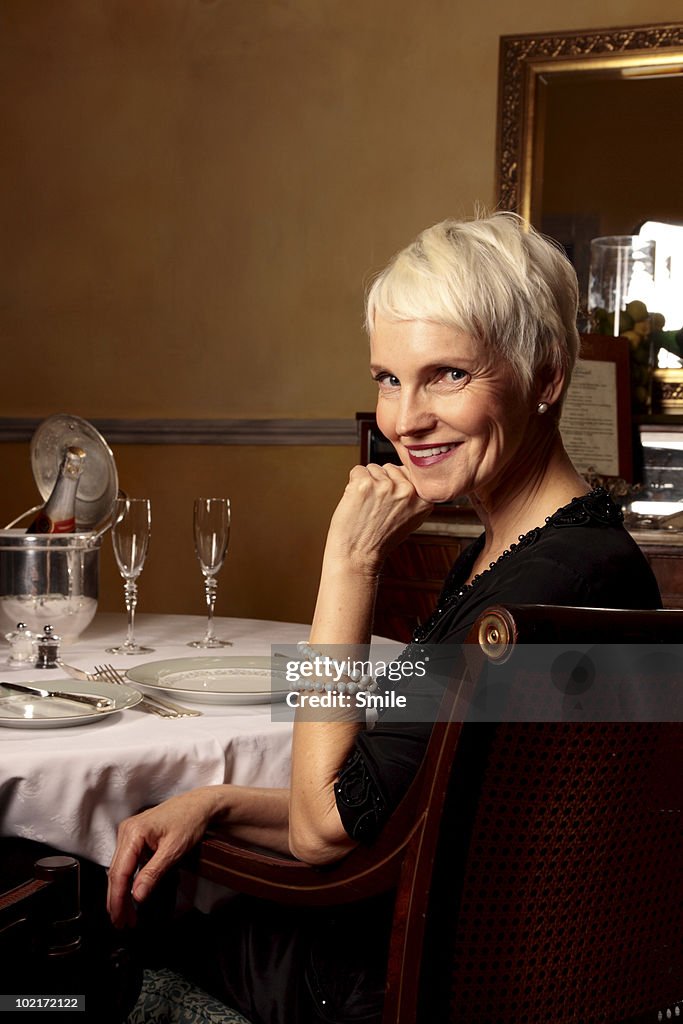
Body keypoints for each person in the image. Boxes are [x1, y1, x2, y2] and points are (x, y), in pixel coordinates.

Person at [108, 212, 661, 1022]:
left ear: (545, 375)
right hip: (444, 961)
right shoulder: (552, 555)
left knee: (85, 946)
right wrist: (221, 801)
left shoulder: (540, 592)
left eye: (446, 375)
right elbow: (412, 804)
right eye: (387, 377)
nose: (404, 420)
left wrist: (349, 564)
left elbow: (323, 831)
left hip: (394, 987)